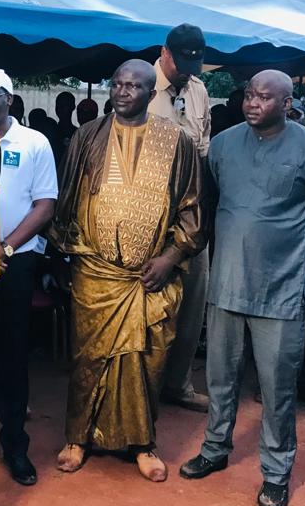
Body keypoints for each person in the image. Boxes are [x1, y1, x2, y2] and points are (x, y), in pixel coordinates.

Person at [180, 70, 305, 506]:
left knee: (278, 387)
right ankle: (215, 449)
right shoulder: (223, 145)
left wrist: (298, 259)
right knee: (220, 378)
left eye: (265, 97)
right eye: (250, 95)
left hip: (282, 291)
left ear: (287, 104)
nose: (253, 103)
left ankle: (276, 472)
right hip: (227, 285)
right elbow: (208, 204)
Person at [50, 59, 204, 481]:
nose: (121, 92)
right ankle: (78, 437)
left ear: (150, 93)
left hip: (148, 277)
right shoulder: (87, 135)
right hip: (95, 272)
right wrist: (63, 253)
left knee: (146, 360)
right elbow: (66, 198)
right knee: (88, 358)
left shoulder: (176, 142)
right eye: (117, 84)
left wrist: (170, 258)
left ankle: (142, 443)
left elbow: (192, 211)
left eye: (133, 86)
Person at [0, 66, 57, 486]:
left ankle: (15, 445)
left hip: (14, 262)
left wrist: (6, 247)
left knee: (11, 354)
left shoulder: (34, 143)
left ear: (10, 99)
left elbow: (44, 205)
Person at [147, 23, 212, 413]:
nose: (187, 72)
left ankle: (178, 384)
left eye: (194, 65)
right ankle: (143, 385)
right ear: (164, 53)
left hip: (192, 213)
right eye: (182, 64)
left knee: (192, 302)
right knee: (150, 302)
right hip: (149, 214)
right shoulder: (140, 85)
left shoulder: (198, 90)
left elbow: (203, 152)